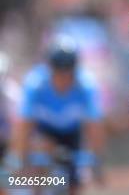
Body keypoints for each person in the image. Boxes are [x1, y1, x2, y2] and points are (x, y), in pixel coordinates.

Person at [7, 37, 104, 193]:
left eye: (68, 73)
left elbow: (94, 127)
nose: (63, 78)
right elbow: (24, 126)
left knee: (76, 181)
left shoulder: (86, 86)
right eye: (59, 72)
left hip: (72, 134)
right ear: (50, 69)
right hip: (44, 131)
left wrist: (96, 160)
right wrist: (17, 160)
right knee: (37, 166)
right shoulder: (35, 84)